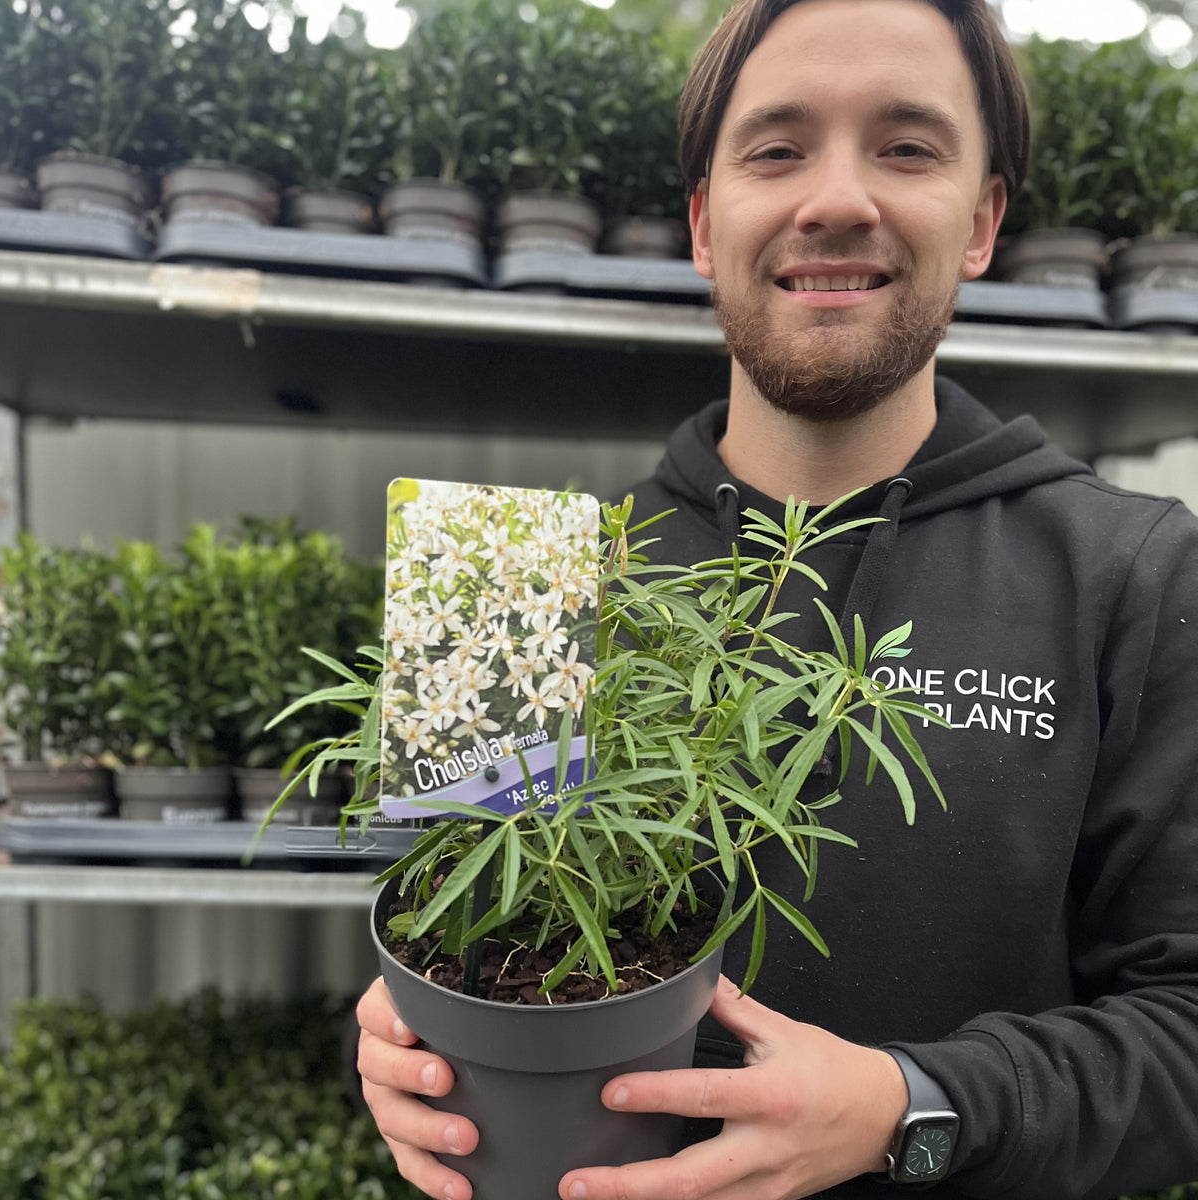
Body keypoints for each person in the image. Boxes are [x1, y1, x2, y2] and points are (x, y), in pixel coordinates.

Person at [356, 0, 1198, 1195]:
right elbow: (447, 951)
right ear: (706, 221)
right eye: (776, 147)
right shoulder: (513, 586)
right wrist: (407, 1057)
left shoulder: (1140, 574)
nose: (837, 198)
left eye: (907, 147)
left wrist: (918, 1107)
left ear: (983, 221)